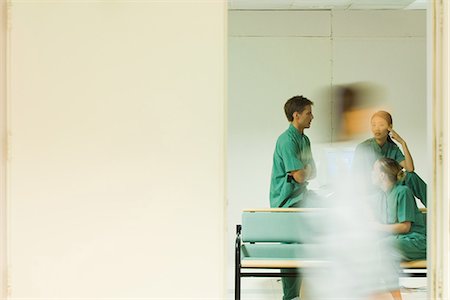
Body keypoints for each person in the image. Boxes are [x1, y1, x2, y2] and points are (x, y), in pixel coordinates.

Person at [269, 95, 316, 300]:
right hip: (287, 203)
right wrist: (302, 171)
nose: (312, 117)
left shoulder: (305, 139)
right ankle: (290, 297)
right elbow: (299, 175)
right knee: (291, 252)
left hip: (302, 197)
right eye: (308, 113)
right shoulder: (287, 140)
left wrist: (303, 171)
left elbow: (312, 172)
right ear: (296, 116)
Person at [371, 157, 427, 300]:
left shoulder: (403, 192)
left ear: (382, 175)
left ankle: (395, 297)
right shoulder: (381, 196)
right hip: (397, 242)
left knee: (383, 246)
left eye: (374, 170)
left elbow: (404, 227)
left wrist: (377, 227)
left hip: (416, 241)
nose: (371, 173)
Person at [353, 111, 427, 206]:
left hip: (389, 188)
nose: (377, 129)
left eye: (381, 125)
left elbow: (410, 168)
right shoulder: (363, 148)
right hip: (372, 191)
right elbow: (356, 178)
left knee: (411, 176)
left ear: (390, 127)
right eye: (373, 125)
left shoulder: (393, 148)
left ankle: (436, 206)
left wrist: (402, 142)